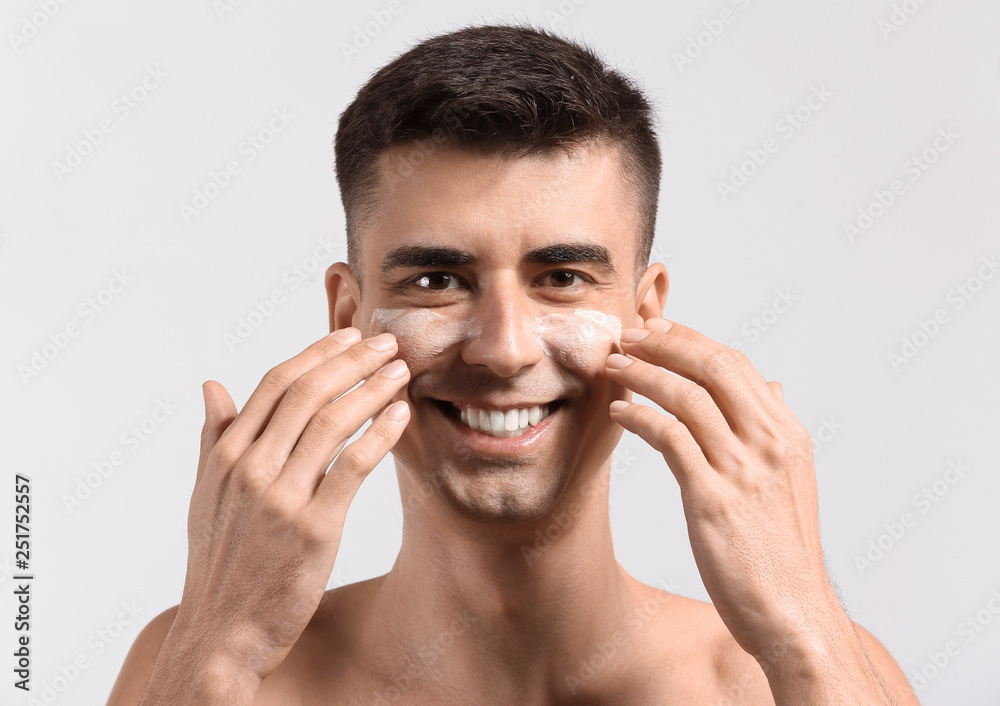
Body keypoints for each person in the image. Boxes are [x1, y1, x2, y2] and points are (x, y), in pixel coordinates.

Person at [109, 22, 918, 705]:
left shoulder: (785, 678)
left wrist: (808, 637)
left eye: (562, 279)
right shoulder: (217, 670)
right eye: (436, 281)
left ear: (647, 311)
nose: (503, 348)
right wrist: (215, 659)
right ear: (348, 316)